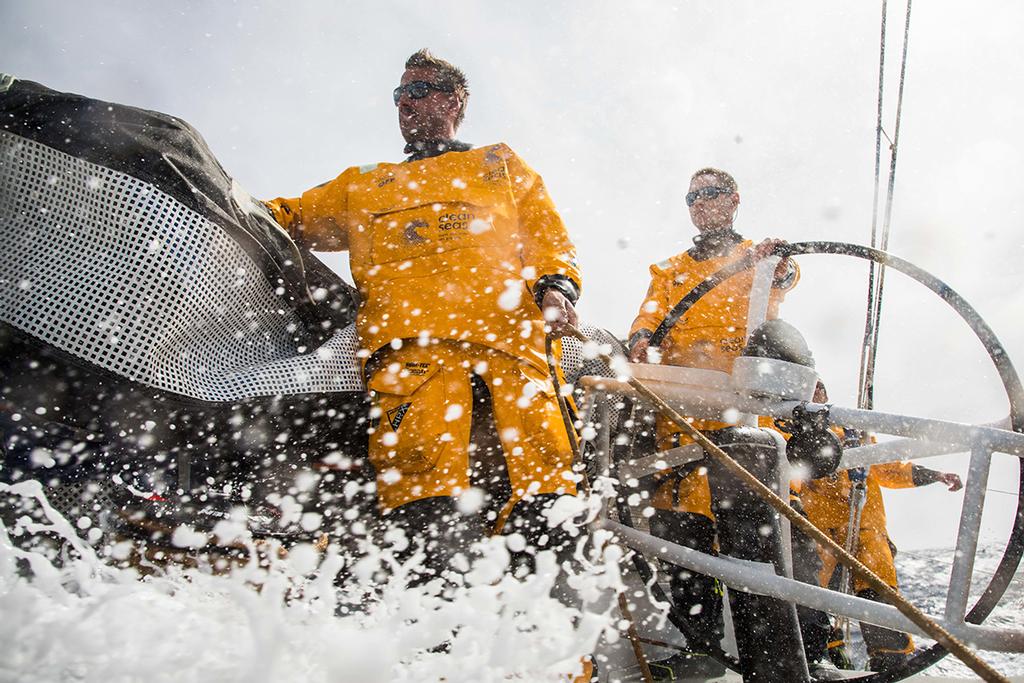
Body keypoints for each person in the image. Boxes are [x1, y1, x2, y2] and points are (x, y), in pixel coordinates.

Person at [265, 48, 585, 624]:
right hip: (414, 371)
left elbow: (548, 237)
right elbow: (280, 217)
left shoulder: (500, 164)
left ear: (456, 100)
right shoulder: (363, 185)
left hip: (514, 361)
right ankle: (437, 649)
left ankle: (556, 654)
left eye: (422, 89)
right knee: (425, 516)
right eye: (399, 93)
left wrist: (558, 287)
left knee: (545, 507)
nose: (406, 102)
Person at [627, 169, 802, 679]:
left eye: (710, 194)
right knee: (680, 530)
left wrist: (776, 259)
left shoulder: (756, 257)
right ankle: (701, 648)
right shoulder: (668, 269)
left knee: (750, 534)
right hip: (680, 416)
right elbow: (648, 315)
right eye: (692, 197)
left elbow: (784, 278)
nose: (700, 204)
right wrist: (639, 339)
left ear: (733, 200)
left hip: (739, 415)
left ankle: (773, 658)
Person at [798, 389, 964, 672]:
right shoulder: (793, 432)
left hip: (865, 528)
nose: (817, 394)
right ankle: (821, 652)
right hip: (819, 530)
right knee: (814, 590)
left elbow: (889, 468)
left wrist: (933, 475)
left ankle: (890, 654)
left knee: (878, 588)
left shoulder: (855, 433)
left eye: (819, 389)